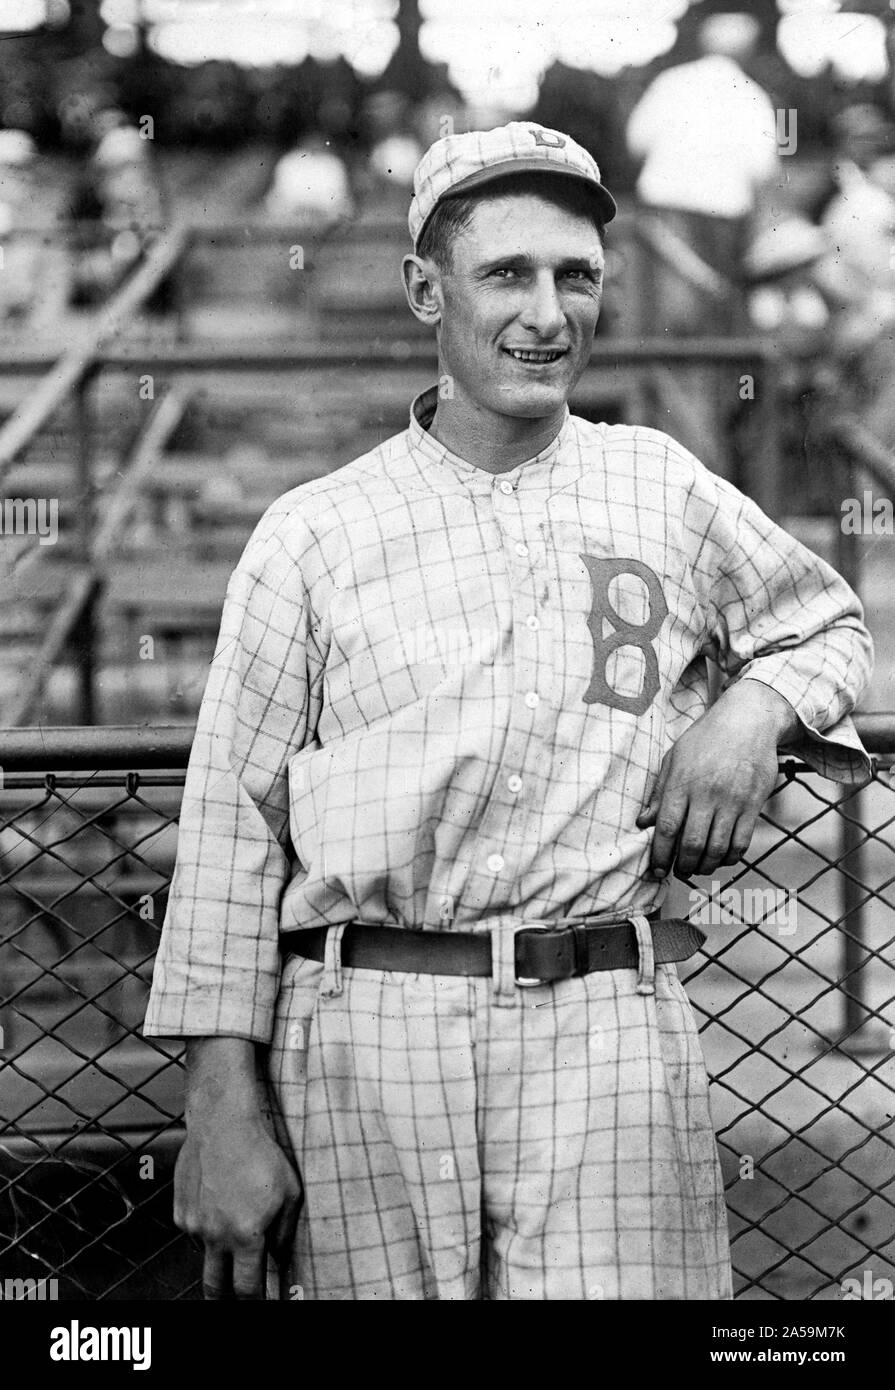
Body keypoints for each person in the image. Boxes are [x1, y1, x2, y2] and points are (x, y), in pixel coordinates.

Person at [144, 122, 873, 1301]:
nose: (547, 313)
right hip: (371, 1023)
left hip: (605, 1019)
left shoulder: (659, 481)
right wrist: (221, 1101)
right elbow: (232, 829)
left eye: (574, 275)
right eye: (506, 274)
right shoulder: (316, 530)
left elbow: (829, 626)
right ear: (425, 289)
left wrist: (751, 712)